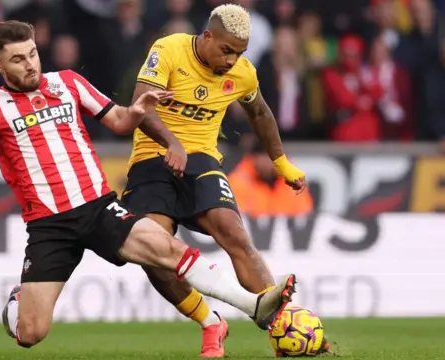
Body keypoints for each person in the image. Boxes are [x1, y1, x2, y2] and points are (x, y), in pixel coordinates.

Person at [0, 20, 297, 349]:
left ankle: (251, 305)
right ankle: (19, 303)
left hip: (99, 206)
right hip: (49, 226)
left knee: (169, 249)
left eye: (33, 54)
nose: (29, 65)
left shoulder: (69, 83)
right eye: (17, 60)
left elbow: (120, 122)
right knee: (31, 334)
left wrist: (139, 110)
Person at [122, 4, 328, 357]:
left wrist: (281, 163)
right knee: (154, 254)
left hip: (201, 158)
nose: (232, 60)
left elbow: (260, 112)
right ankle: (210, 322)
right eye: (226, 50)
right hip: (151, 160)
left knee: (232, 231)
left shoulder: (244, 74)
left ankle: (282, 327)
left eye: (240, 53)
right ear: (207, 37)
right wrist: (171, 142)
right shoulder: (169, 49)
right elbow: (140, 104)